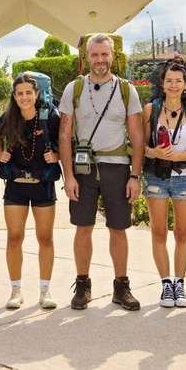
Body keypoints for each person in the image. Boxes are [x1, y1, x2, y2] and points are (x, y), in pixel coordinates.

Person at [58, 33, 144, 311]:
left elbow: (137, 135)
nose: (100, 60)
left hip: (117, 168)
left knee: (118, 228)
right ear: (87, 58)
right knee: (83, 227)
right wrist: (68, 176)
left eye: (104, 54)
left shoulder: (126, 90)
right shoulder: (74, 89)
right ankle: (83, 285)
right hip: (83, 169)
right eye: (94, 55)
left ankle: (121, 287)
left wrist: (135, 176)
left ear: (112, 56)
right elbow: (64, 135)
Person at [0, 73, 60, 310]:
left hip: (43, 184)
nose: (24, 97)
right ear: (14, 96)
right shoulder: (8, 117)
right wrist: (0, 153)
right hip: (16, 186)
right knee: (14, 237)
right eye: (19, 93)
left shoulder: (50, 116)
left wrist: (57, 155)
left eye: (28, 93)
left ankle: (45, 290)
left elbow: (65, 141)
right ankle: (16, 291)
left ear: (37, 93)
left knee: (45, 238)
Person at [143, 63, 186, 308]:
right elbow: (139, 146)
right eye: (169, 80)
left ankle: (180, 283)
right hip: (156, 177)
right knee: (158, 231)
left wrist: (175, 157)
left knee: (182, 232)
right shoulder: (150, 109)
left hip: (185, 176)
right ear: (162, 83)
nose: (174, 85)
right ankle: (166, 284)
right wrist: (155, 152)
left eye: (179, 80)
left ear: (185, 84)